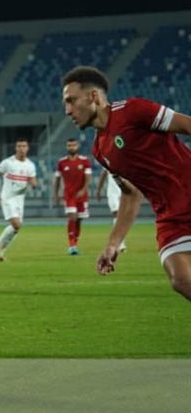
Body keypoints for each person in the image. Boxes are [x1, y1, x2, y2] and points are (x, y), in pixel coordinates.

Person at [61, 66, 191, 301]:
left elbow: (186, 125)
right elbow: (130, 194)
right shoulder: (99, 150)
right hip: (171, 218)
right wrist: (113, 244)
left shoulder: (132, 110)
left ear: (93, 96)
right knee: (181, 280)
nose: (68, 110)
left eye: (71, 101)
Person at [0, 139, 38, 261]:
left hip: (20, 198)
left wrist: (34, 184)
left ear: (28, 148)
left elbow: (32, 180)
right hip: (8, 197)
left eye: (24, 146)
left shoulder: (30, 165)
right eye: (19, 146)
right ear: (16, 148)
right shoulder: (8, 163)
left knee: (17, 228)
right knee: (16, 224)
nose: (21, 148)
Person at [52, 137, 92, 255]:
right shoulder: (61, 162)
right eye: (69, 145)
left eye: (73, 145)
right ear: (66, 147)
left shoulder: (85, 161)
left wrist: (83, 190)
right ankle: (71, 245)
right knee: (72, 217)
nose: (71, 147)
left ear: (78, 146)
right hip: (69, 195)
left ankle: (75, 242)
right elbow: (57, 179)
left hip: (82, 195)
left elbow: (88, 178)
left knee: (79, 220)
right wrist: (56, 194)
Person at [95, 164, 126, 254]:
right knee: (117, 214)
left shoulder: (126, 160)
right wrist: (98, 190)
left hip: (124, 191)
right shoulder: (109, 160)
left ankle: (120, 242)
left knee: (122, 216)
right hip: (112, 192)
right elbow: (103, 175)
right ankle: (120, 243)